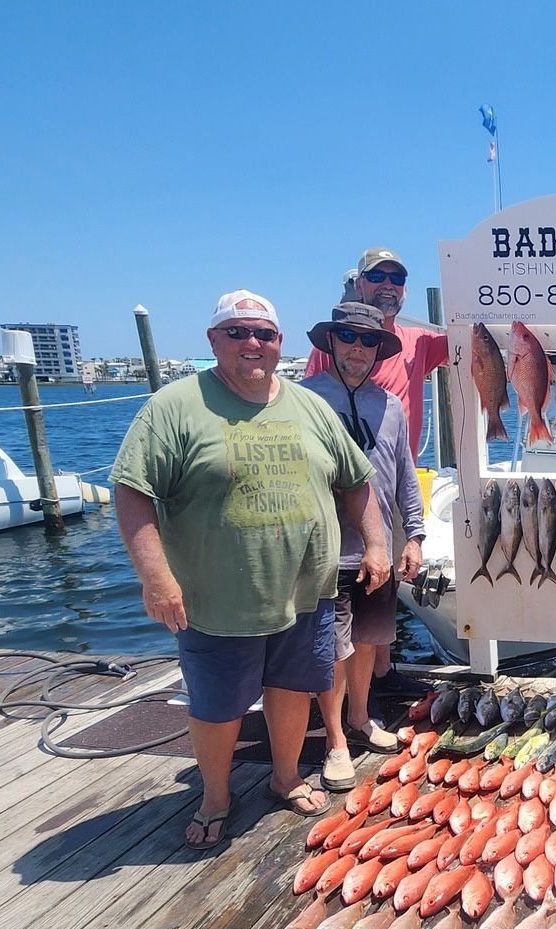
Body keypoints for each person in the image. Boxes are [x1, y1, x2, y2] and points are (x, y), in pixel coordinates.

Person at [112, 290, 387, 849]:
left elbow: (355, 482)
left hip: (307, 589)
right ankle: (215, 797)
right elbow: (132, 490)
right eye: (236, 332)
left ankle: (284, 777)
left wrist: (377, 543)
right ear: (213, 340)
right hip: (218, 596)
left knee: (291, 688)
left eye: (263, 333)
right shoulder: (175, 406)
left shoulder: (309, 405)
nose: (252, 343)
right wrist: (156, 577)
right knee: (217, 704)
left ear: (280, 343)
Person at [304, 247, 448, 699]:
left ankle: (378, 683)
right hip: (331, 510)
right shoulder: (317, 380)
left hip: (390, 489)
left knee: (378, 602)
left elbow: (475, 342)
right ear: (359, 283)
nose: (388, 285)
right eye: (377, 276)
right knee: (333, 621)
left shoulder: (420, 341)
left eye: (397, 278)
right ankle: (336, 709)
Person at [300, 302, 425, 780]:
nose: (358, 348)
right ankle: (334, 741)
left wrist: (413, 534)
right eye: (349, 337)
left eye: (368, 341)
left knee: (369, 640)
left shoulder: (390, 404)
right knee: (332, 646)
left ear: (379, 350)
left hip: (381, 547)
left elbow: (404, 474)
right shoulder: (306, 399)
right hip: (326, 549)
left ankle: (360, 717)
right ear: (331, 341)